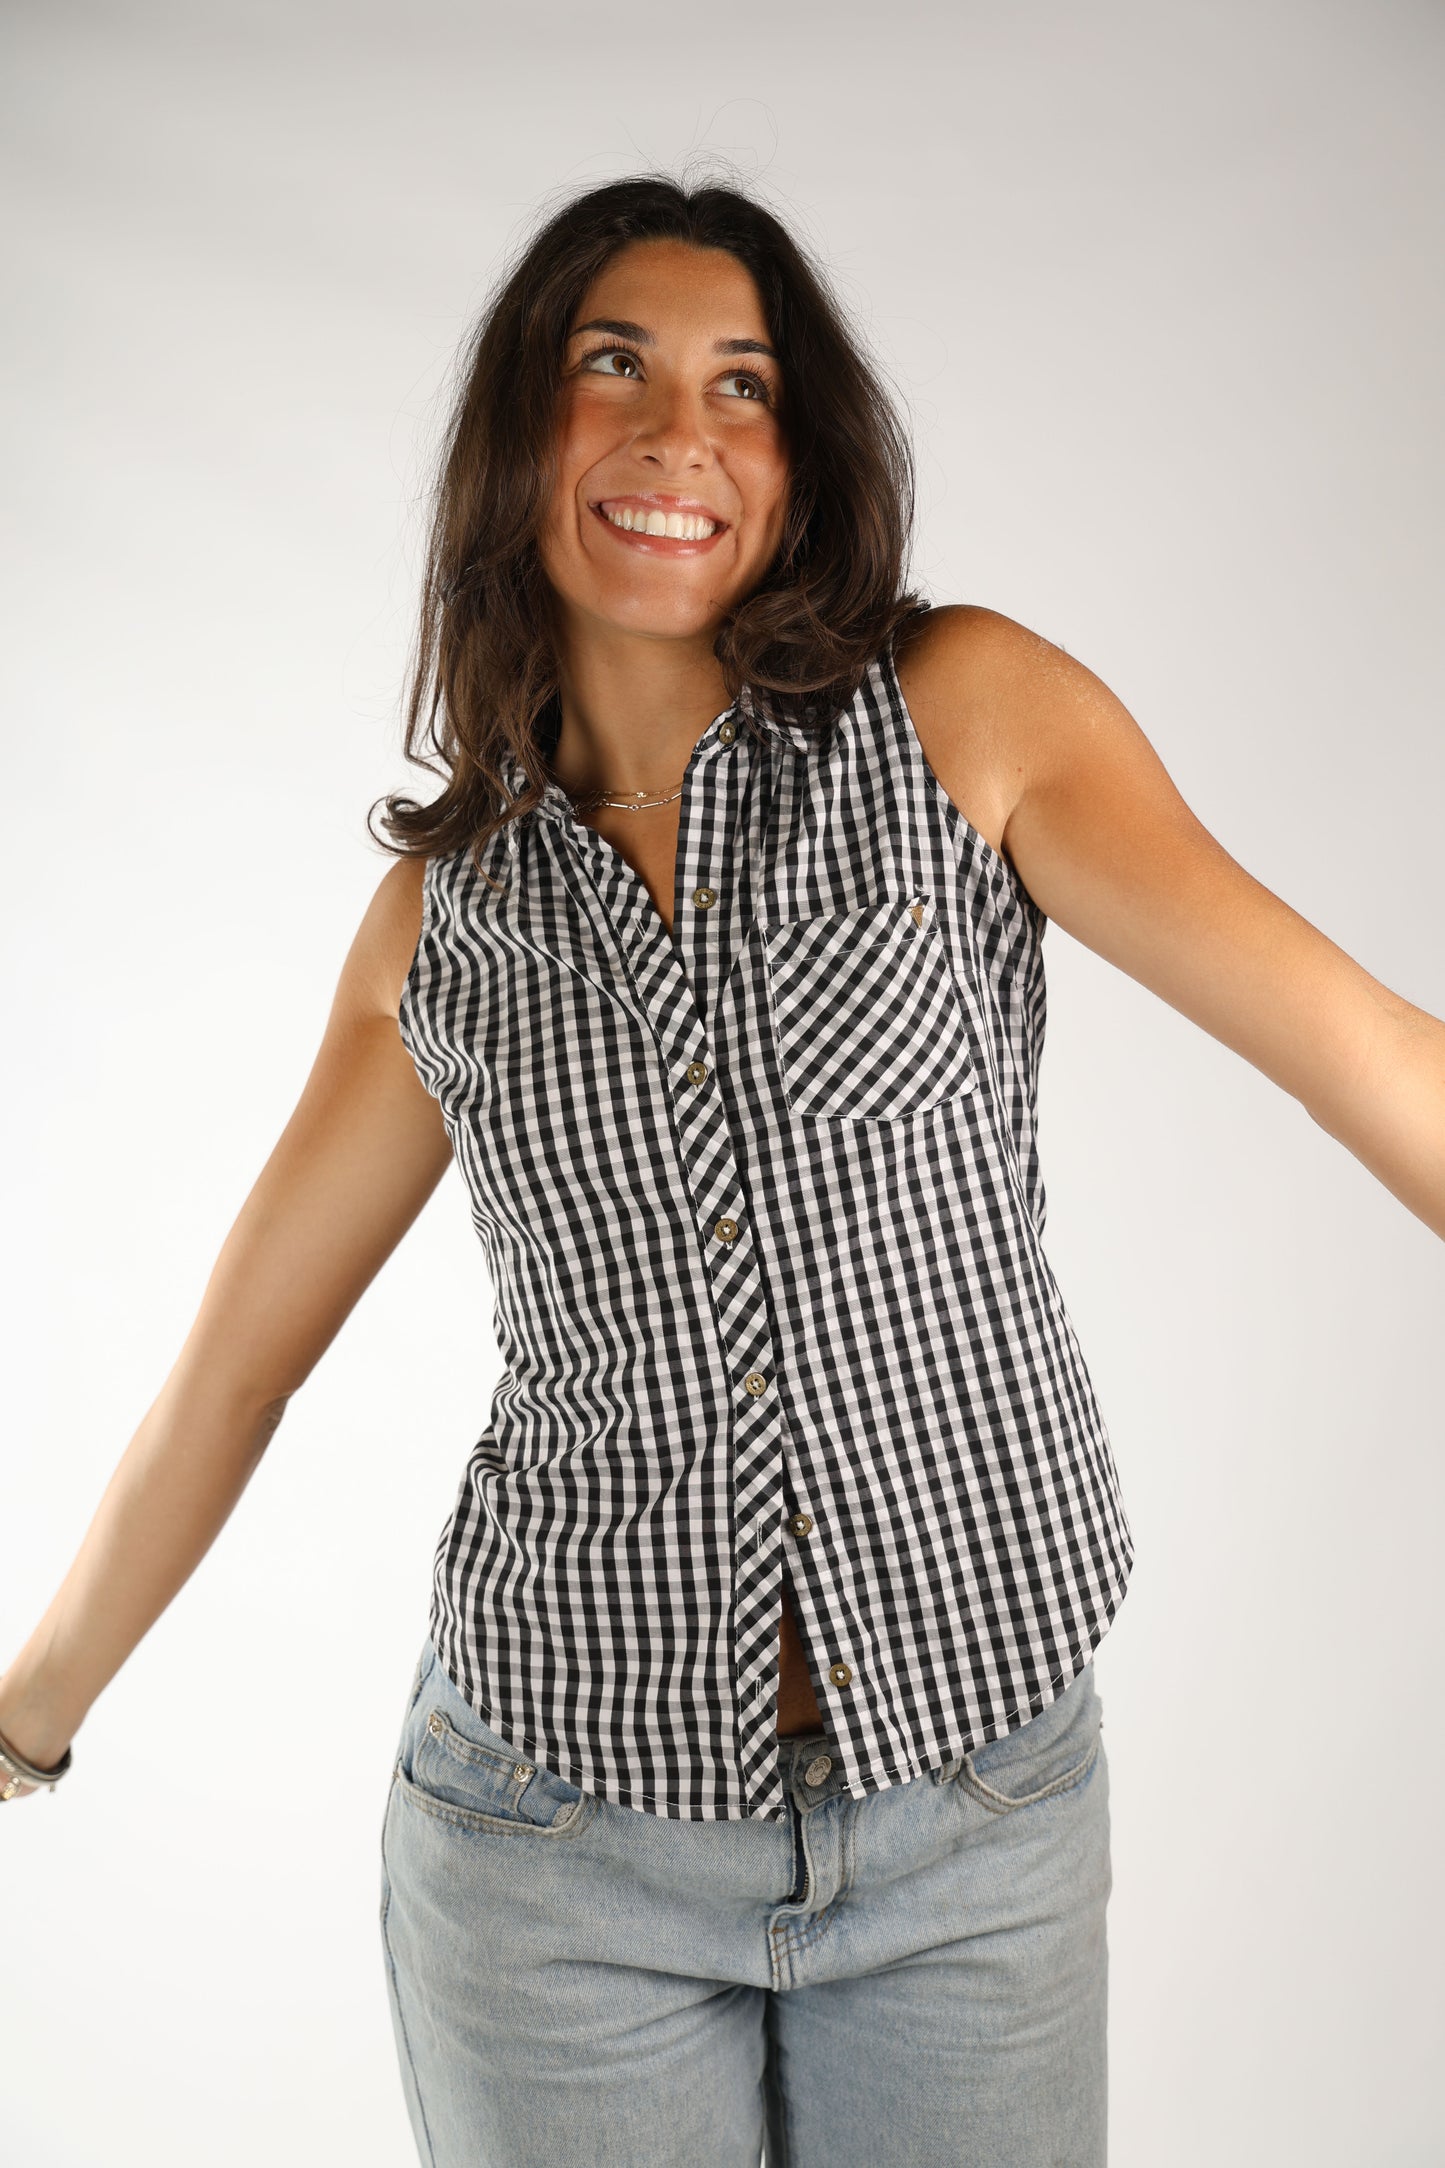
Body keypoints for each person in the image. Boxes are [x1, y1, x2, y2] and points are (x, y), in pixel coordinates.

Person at [3, 173, 1442, 2167]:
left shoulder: (964, 719)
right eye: (614, 366)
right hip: (555, 1851)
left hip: (974, 1820)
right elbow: (235, 1374)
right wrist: (24, 1718)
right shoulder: (442, 928)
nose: (678, 432)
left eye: (740, 385)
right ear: (519, 434)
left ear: (799, 454)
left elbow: (1366, 1056)